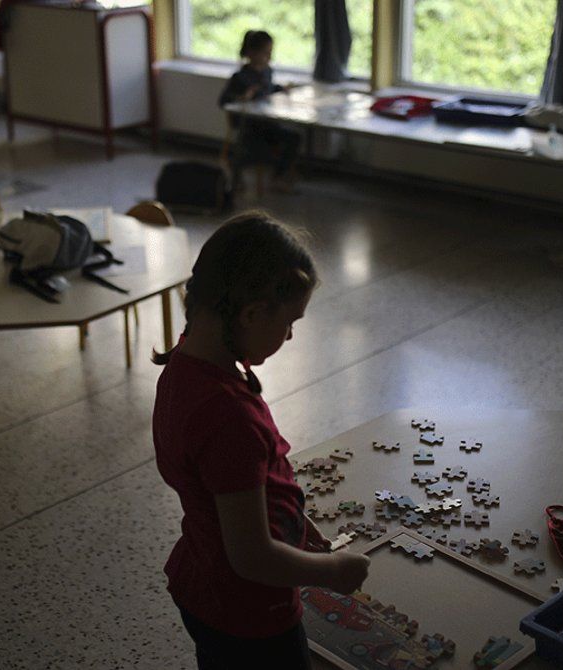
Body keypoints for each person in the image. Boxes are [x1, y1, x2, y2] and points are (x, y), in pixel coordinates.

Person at [152, 212, 370, 669]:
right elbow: (251, 557)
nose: (290, 335)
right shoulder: (230, 418)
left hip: (201, 579)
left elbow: (231, 495)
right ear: (251, 314)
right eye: (289, 321)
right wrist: (331, 572)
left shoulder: (184, 364)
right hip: (249, 613)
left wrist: (293, 527)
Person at [218, 30, 302, 191]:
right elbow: (223, 101)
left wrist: (280, 88)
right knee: (255, 149)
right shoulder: (240, 77)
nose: (269, 57)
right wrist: (242, 98)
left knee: (294, 137)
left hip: (268, 123)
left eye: (270, 53)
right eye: (266, 53)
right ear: (252, 53)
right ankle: (236, 178)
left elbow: (268, 89)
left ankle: (278, 176)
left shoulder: (267, 71)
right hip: (249, 127)